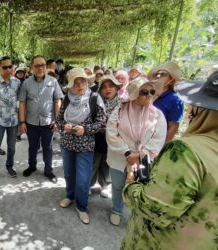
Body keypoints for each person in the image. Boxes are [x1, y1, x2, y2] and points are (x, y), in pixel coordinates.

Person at [121, 71, 218, 250]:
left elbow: (153, 208)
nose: (189, 111)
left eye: (193, 106)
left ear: (201, 110)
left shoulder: (186, 151)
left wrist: (131, 182)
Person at [106, 77, 167, 226]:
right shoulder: (119, 110)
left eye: (152, 91)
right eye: (144, 92)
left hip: (143, 159)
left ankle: (135, 213)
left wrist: (140, 154)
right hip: (119, 157)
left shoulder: (157, 115)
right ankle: (117, 209)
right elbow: (111, 133)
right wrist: (128, 153)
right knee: (118, 185)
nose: (149, 95)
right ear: (134, 94)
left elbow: (158, 138)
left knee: (139, 187)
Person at [56, 68, 106, 224]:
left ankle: (82, 207)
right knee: (69, 174)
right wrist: (64, 126)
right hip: (67, 143)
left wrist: (86, 129)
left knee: (83, 179)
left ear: (87, 82)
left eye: (82, 82)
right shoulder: (66, 99)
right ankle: (70, 196)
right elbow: (59, 120)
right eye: (75, 83)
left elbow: (101, 122)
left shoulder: (94, 97)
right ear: (70, 86)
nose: (80, 86)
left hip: (85, 145)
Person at [19, 55, 63, 182]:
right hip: (31, 122)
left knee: (48, 147)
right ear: (32, 67)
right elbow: (22, 103)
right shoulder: (26, 83)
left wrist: (57, 120)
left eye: (42, 65)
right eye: (37, 65)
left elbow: (57, 101)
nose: (40, 68)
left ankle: (48, 171)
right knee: (32, 146)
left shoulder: (53, 82)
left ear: (46, 66)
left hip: (48, 122)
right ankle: (32, 166)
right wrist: (22, 122)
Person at [0, 56, 21, 181]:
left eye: (10, 67)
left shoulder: (17, 83)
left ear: (13, 68)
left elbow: (20, 100)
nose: (7, 69)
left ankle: (9, 166)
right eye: (4, 67)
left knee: (11, 147)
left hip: (13, 121)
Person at [91, 74, 122, 197]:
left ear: (116, 88)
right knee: (94, 163)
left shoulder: (123, 104)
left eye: (111, 86)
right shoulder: (95, 102)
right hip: (98, 137)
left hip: (114, 139)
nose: (108, 89)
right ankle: (90, 184)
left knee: (107, 163)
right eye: (104, 87)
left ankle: (105, 185)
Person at [149, 61, 184, 142]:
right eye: (156, 74)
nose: (158, 76)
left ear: (171, 80)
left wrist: (161, 147)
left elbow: (173, 127)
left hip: (155, 143)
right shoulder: (149, 93)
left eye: (163, 74)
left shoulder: (175, 100)